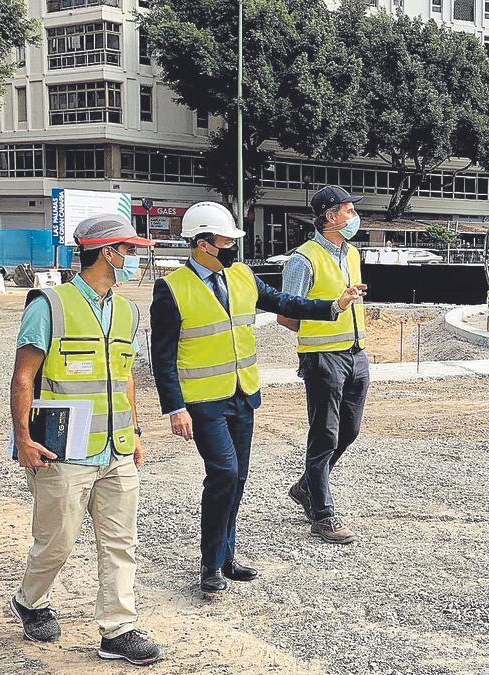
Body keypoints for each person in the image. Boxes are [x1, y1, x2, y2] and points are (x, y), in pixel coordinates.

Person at [150, 201, 364, 594]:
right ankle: (210, 566)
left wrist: (333, 305)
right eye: (225, 240)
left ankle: (227, 558)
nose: (233, 247)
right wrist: (175, 407)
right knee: (224, 474)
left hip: (243, 394)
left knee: (239, 479)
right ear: (202, 244)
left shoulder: (242, 276)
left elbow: (286, 303)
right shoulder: (172, 288)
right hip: (203, 402)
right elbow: (161, 355)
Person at [9, 214, 162, 666]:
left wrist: (134, 431)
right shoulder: (49, 306)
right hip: (64, 451)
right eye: (128, 250)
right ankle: (30, 601)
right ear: (106, 252)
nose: (133, 258)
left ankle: (118, 629)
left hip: (115, 449)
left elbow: (126, 376)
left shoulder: (128, 310)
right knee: (56, 541)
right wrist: (22, 440)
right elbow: (23, 378)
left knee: (120, 542)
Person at [278, 186, 369, 545]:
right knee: (324, 434)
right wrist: (324, 321)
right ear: (329, 217)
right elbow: (287, 314)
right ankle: (322, 512)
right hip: (322, 359)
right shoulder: (303, 259)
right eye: (348, 211)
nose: (353, 217)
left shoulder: (352, 253)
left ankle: (306, 487)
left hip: (356, 353)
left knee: (350, 428)